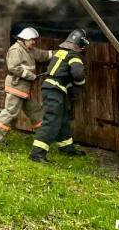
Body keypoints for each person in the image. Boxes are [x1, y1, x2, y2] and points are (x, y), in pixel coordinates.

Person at [29, 28, 89, 163]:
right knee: (51, 120)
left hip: (53, 89)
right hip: (54, 90)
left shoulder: (60, 52)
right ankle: (37, 154)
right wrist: (80, 85)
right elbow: (78, 74)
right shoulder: (74, 56)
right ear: (81, 44)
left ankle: (66, 148)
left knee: (62, 119)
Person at [0, 27, 52, 142]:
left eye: (34, 40)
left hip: (24, 90)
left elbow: (42, 55)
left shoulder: (29, 50)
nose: (34, 42)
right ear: (24, 39)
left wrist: (58, 54)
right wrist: (30, 75)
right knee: (10, 112)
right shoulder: (16, 50)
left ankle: (43, 136)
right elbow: (13, 67)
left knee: (35, 110)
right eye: (32, 40)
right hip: (16, 87)